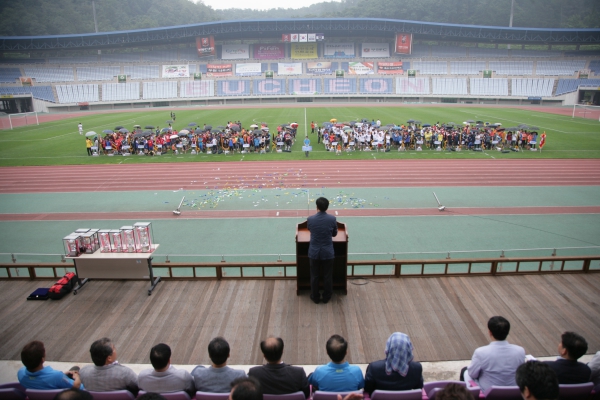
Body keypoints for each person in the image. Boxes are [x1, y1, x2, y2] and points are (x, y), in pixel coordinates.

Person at [462, 316, 525, 393]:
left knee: (465, 372)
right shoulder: (520, 351)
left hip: (489, 394)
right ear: (507, 332)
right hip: (514, 393)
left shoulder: (481, 352)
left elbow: (472, 374)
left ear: (490, 332)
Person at [307, 197, 338, 304]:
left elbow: (310, 229)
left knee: (314, 276)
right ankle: (327, 297)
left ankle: (315, 297)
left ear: (317, 207)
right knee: (327, 276)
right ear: (327, 207)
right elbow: (334, 233)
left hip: (314, 252)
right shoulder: (332, 219)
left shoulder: (310, 219)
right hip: (328, 252)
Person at [17, 340, 82, 390]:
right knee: (79, 372)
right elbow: (76, 386)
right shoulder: (57, 376)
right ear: (42, 359)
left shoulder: (21, 373)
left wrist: (63, 375)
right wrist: (77, 377)